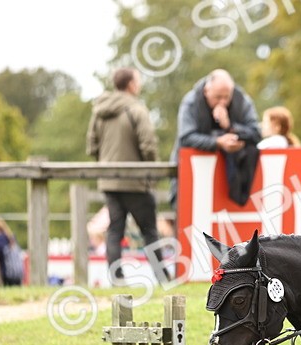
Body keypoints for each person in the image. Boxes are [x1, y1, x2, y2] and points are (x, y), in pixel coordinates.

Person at [87, 66, 160, 272]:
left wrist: (106, 164)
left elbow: (91, 146)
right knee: (149, 231)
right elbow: (148, 145)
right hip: (135, 181)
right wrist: (151, 172)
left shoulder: (99, 112)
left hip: (109, 181)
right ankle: (163, 277)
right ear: (131, 84)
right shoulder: (136, 109)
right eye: (138, 81)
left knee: (114, 231)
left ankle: (116, 279)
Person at [170, 69, 261, 205]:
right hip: (193, 177)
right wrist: (218, 143)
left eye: (227, 97)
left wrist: (231, 127)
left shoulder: (241, 100)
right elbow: (186, 137)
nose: (222, 102)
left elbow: (256, 134)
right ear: (207, 91)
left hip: (232, 181)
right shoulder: (191, 102)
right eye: (218, 97)